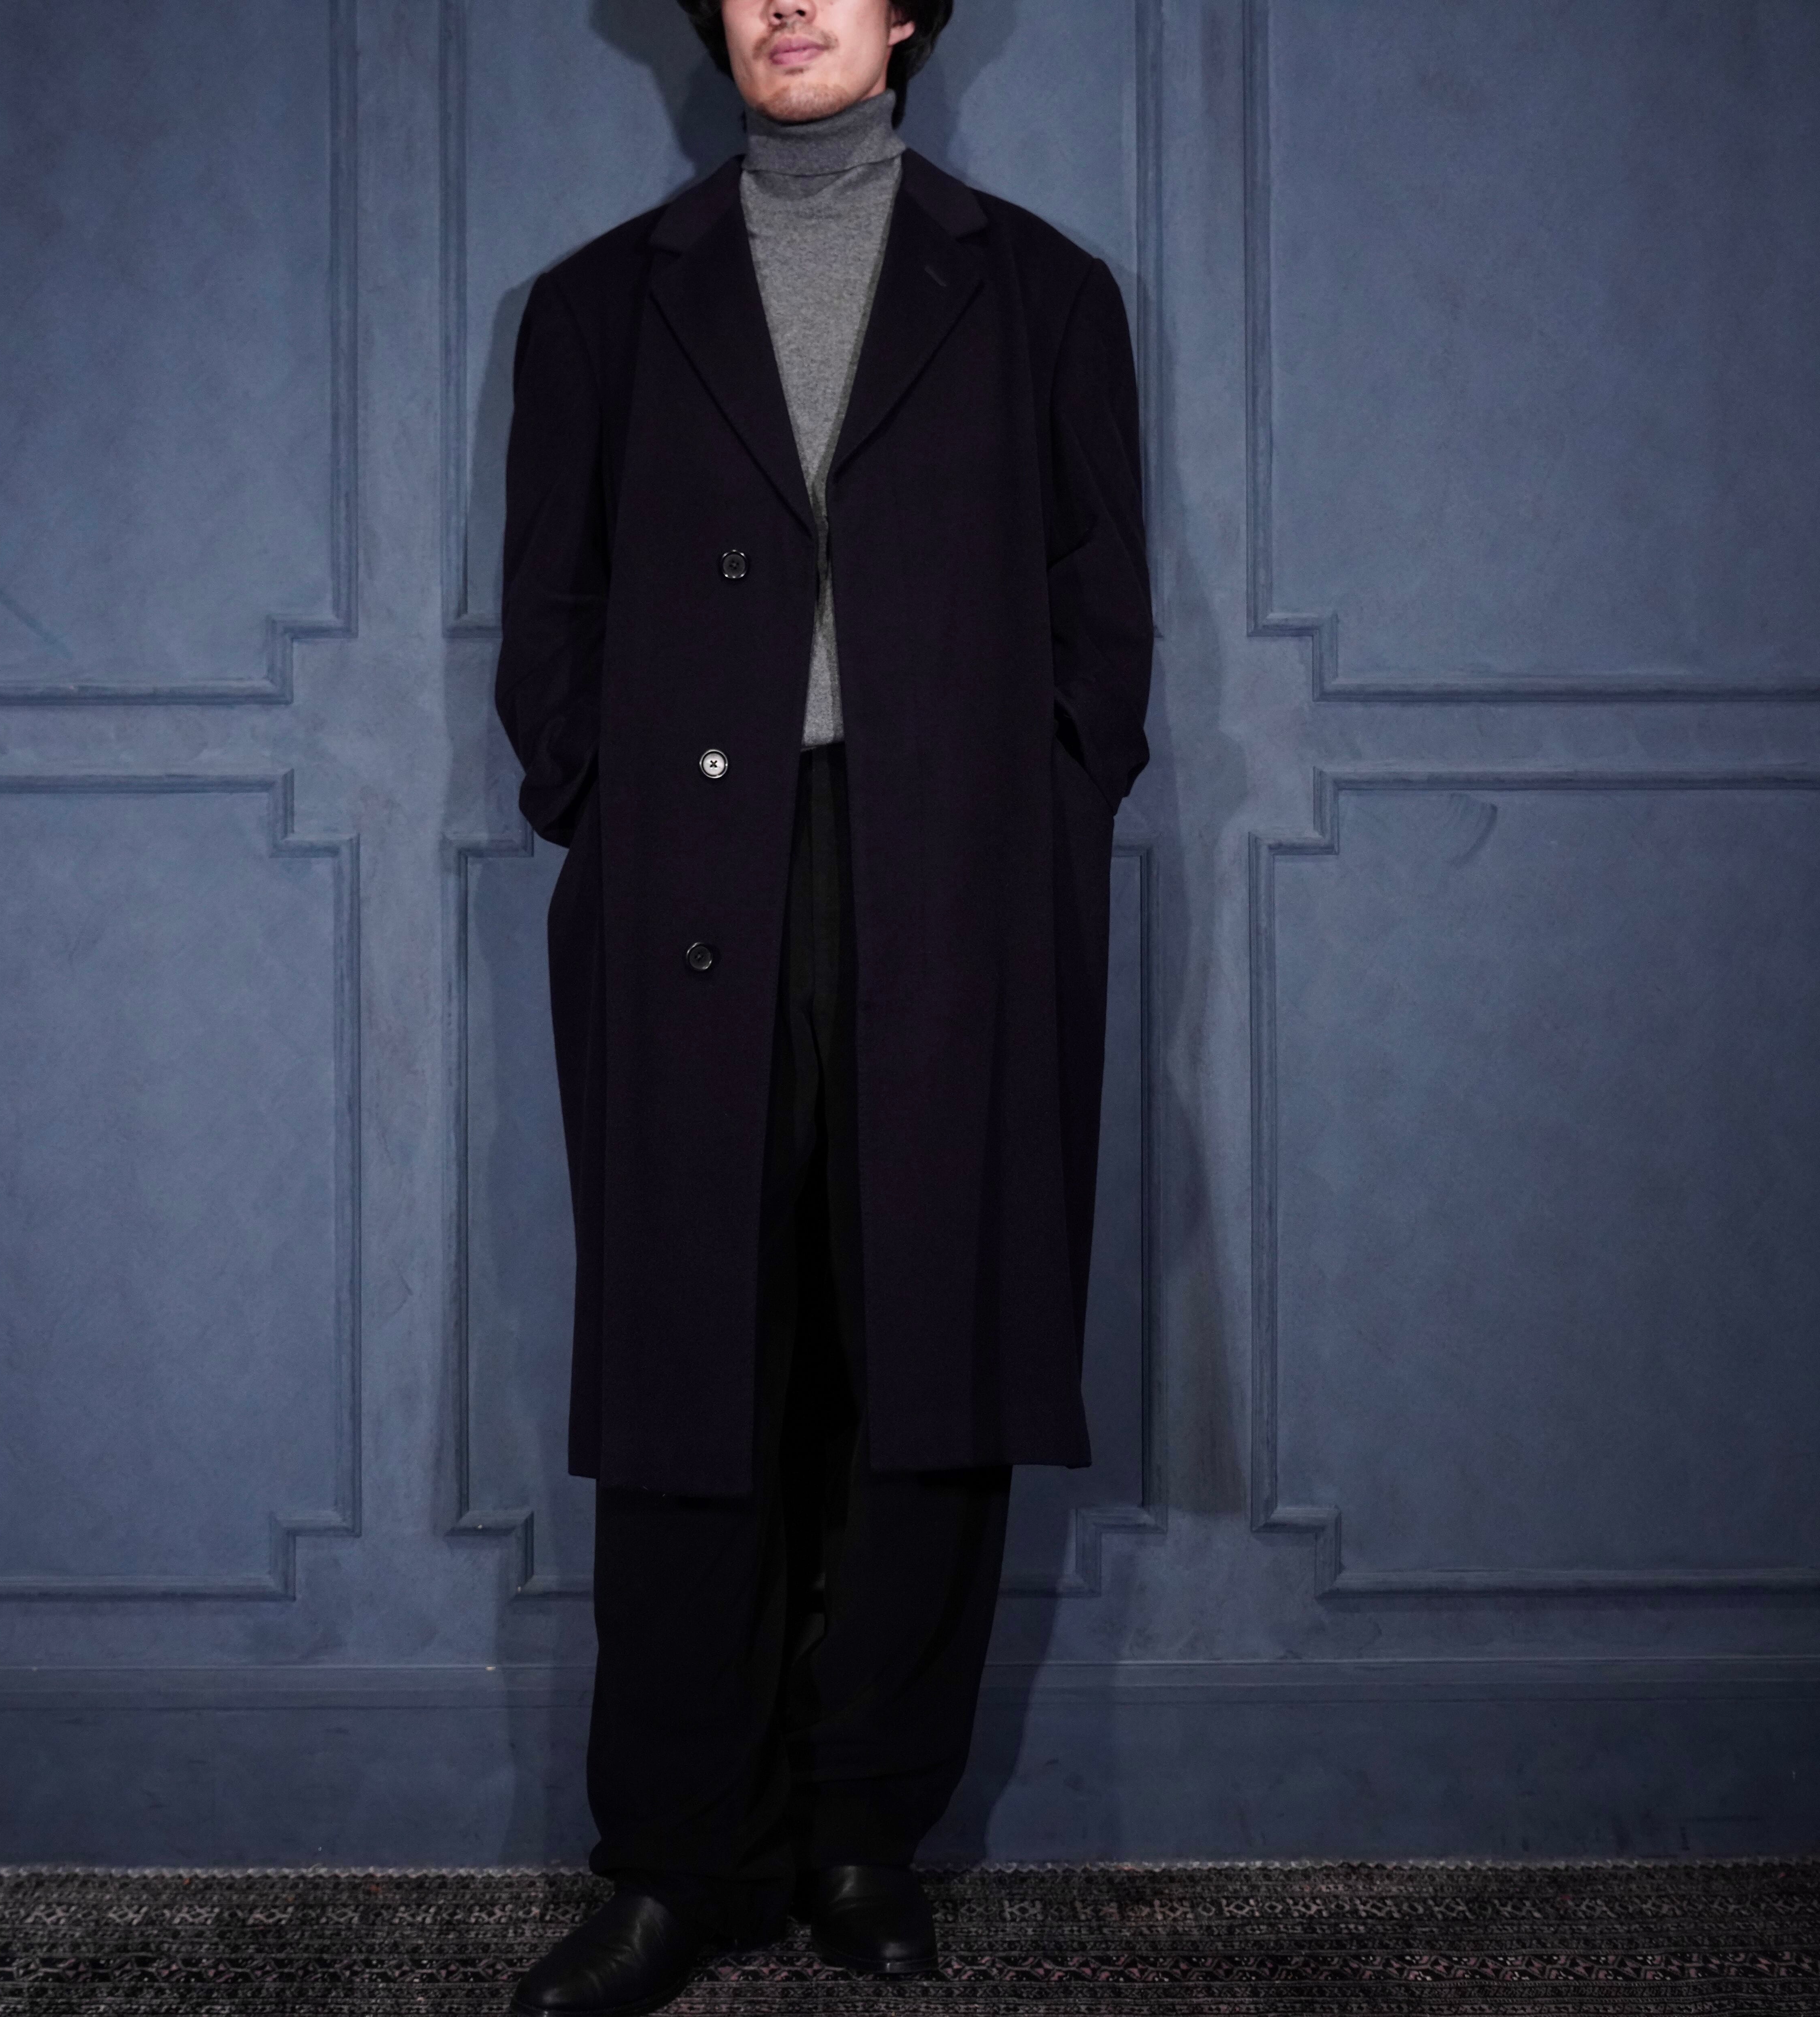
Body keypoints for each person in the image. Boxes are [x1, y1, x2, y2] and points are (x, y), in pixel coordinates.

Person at [496, 2, 1151, 2009]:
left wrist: (1036, 806)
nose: (789, 2)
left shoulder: (1039, 293)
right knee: (692, 1365)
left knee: (927, 1356)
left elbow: (1101, 612)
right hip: (690, 889)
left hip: (954, 887)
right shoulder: (600, 306)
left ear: (908, 16)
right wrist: (599, 796)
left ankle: (867, 1829)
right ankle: (674, 1859)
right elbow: (549, 619)